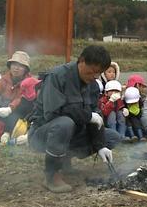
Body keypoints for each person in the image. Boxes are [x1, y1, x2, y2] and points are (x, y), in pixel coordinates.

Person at [28, 45, 122, 193]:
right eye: (91, 72)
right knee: (64, 123)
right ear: (82, 61)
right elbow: (53, 113)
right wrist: (87, 116)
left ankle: (64, 160)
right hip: (43, 133)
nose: (94, 77)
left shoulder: (93, 85)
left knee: (112, 137)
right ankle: (51, 175)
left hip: (72, 133)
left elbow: (95, 116)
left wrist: (100, 145)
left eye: (98, 74)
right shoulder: (57, 77)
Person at [0, 76, 41, 146]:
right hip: (26, 128)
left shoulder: (46, 100)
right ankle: (9, 140)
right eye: (24, 90)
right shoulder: (25, 100)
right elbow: (16, 115)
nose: (25, 93)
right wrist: (7, 132)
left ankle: (15, 142)